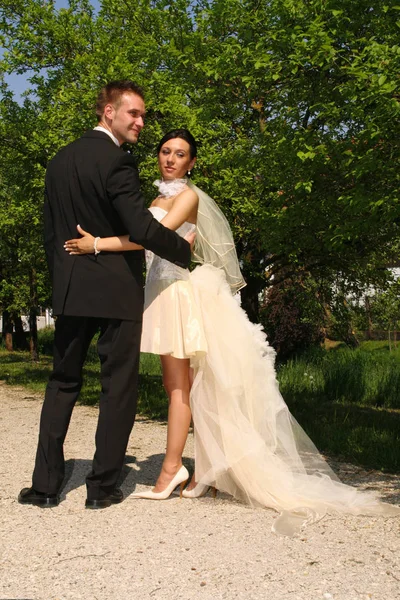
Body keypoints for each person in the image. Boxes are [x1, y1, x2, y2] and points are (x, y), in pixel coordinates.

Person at [64, 129, 400, 534]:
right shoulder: (153, 199)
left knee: (179, 387)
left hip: (178, 295)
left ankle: (173, 469)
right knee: (185, 385)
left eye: (181, 154)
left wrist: (96, 244)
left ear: (191, 163)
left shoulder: (188, 196)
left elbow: (148, 236)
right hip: (159, 292)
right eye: (166, 152)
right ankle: (201, 472)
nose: (171, 159)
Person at [18, 83, 195, 510]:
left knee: (62, 382)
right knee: (118, 387)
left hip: (73, 287)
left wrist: (62, 279)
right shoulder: (118, 162)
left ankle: (44, 488)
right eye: (133, 114)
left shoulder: (59, 160)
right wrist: (183, 253)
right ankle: (102, 489)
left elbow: (50, 233)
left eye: (143, 116)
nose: (139, 123)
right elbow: (140, 228)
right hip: (117, 290)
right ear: (108, 112)